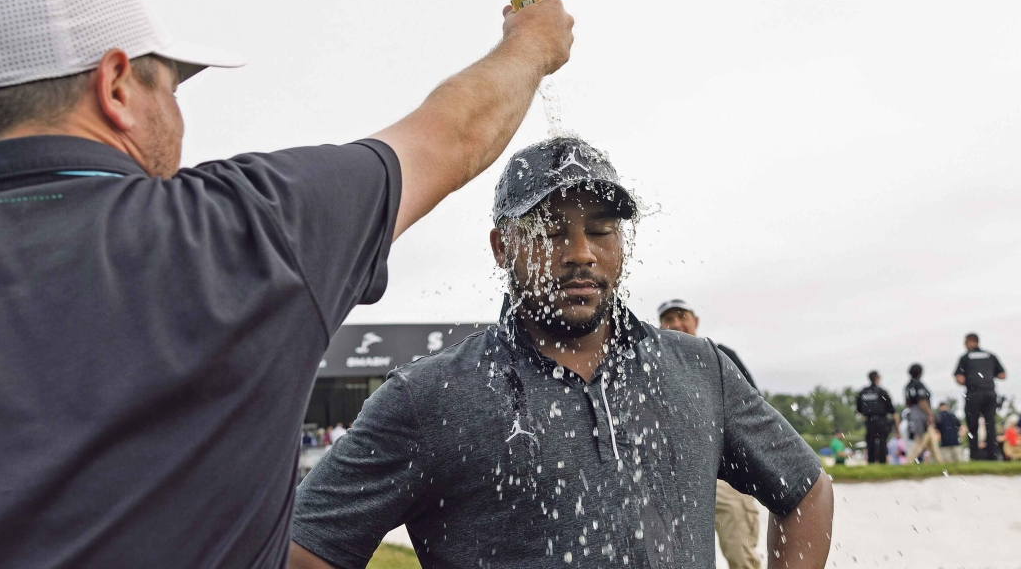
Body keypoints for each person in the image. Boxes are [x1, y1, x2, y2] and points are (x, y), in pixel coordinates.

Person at [0, 0, 576, 568]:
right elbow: (454, 133)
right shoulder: (247, 228)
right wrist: (532, 43)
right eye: (170, 82)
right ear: (116, 84)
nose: (177, 111)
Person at [290, 137, 834, 569]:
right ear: (502, 246)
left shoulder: (700, 368)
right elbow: (306, 547)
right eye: (550, 233)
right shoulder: (429, 397)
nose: (581, 254)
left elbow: (806, 491)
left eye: (601, 231)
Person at [657, 299, 760, 569]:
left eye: (682, 316)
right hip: (676, 482)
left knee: (741, 555)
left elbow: (752, 411)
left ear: (696, 320)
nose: (676, 324)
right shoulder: (650, 364)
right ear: (660, 326)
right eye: (669, 319)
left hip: (728, 479)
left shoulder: (719, 356)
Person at [954, 333, 1007, 461]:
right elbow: (1003, 375)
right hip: (990, 393)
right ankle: (992, 455)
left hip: (973, 394)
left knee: (973, 426)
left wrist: (971, 378)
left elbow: (959, 378)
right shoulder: (990, 355)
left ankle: (975, 456)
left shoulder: (965, 358)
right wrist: (988, 374)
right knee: (990, 425)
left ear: (969, 342)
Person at [903, 364, 942, 464]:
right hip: (921, 415)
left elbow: (908, 403)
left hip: (913, 414)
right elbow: (922, 401)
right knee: (920, 441)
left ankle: (940, 462)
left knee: (931, 440)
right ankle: (908, 462)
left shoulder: (908, 386)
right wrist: (930, 414)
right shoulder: (919, 385)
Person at [856, 371, 898, 464]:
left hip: (869, 421)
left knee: (870, 442)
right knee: (882, 441)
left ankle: (871, 462)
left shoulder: (863, 392)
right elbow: (891, 409)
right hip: (881, 420)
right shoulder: (882, 392)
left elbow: (859, 409)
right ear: (877, 378)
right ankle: (882, 462)